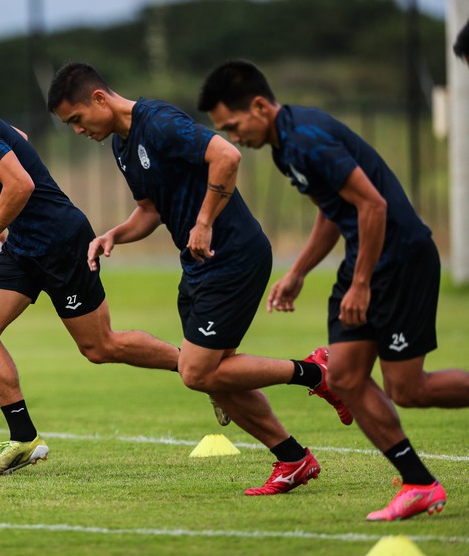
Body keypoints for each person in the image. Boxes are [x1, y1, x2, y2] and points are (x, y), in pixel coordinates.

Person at [47, 62, 351, 496]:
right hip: (197, 264)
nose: (77, 131)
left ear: (99, 99)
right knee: (218, 375)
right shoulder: (121, 144)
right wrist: (114, 233)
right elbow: (150, 210)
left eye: (76, 120)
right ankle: (293, 459)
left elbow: (227, 155)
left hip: (234, 255)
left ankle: (314, 372)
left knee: (196, 371)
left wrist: (205, 220)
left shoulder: (160, 122)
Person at [0, 77, 193, 476]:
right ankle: (24, 438)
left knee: (99, 347)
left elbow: (20, 184)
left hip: (60, 242)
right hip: (25, 246)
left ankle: (197, 369)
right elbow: (18, 137)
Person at [198, 59, 469, 520]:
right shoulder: (284, 145)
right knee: (343, 377)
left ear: (260, 106)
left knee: (407, 388)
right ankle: (420, 483)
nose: (233, 137)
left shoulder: (306, 139)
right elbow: (332, 210)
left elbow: (373, 204)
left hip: (399, 259)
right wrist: (298, 271)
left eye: (232, 125)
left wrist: (361, 282)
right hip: (366, 258)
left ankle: (419, 482)